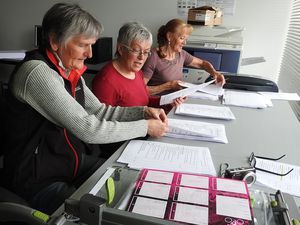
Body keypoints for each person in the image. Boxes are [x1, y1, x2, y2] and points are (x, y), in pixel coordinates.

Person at [2, 3, 168, 214]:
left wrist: (142, 112)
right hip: (36, 179)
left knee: (130, 180)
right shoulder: (37, 73)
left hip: (68, 164)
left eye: (92, 45)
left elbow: (99, 111)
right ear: (54, 41)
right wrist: (145, 127)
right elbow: (88, 128)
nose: (90, 54)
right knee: (106, 214)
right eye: (83, 45)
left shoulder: (67, 69)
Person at [92, 22, 184, 111]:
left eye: (146, 52)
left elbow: (144, 101)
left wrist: (169, 102)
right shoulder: (105, 81)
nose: (142, 57)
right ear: (121, 49)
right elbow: (103, 123)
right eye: (136, 51)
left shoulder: (137, 73)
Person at [142, 18, 226, 95]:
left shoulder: (181, 54)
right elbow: (139, 90)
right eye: (182, 38)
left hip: (176, 102)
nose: (184, 43)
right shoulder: (152, 56)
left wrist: (215, 73)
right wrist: (168, 85)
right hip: (157, 107)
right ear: (169, 36)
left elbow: (202, 64)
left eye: (186, 39)